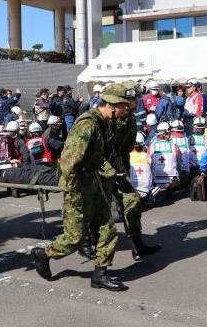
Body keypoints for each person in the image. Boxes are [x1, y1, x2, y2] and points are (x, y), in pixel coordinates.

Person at [30, 84, 131, 292]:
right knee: (75, 238)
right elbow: (68, 161)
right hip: (77, 186)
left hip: (95, 182)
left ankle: (100, 274)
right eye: (124, 106)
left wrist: (109, 170)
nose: (127, 111)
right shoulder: (88, 124)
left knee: (107, 228)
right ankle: (44, 253)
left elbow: (98, 155)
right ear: (112, 105)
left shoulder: (104, 123)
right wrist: (73, 192)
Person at [103, 83, 161, 261]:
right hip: (100, 170)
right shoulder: (100, 118)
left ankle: (137, 245)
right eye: (129, 101)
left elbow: (127, 147)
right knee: (99, 212)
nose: (133, 104)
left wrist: (124, 170)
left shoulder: (128, 119)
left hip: (119, 168)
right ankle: (88, 244)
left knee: (132, 204)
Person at [148, 122, 182, 188]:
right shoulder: (175, 146)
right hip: (172, 180)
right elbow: (179, 162)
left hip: (155, 180)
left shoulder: (151, 146)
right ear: (167, 133)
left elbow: (149, 165)